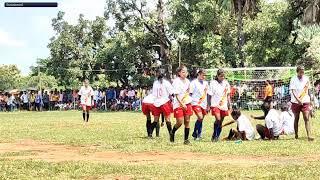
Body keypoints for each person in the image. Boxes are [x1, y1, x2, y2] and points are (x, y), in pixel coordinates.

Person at [289, 66, 314, 141]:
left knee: (306, 117)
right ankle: (296, 135)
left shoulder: (306, 78)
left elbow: (308, 90)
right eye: (301, 71)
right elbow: (292, 91)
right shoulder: (293, 79)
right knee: (296, 118)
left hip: (305, 100)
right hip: (295, 102)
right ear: (297, 71)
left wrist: (311, 100)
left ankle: (309, 135)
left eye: (303, 71)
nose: (302, 72)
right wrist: (298, 100)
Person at [170, 66, 193, 144]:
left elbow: (189, 92)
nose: (185, 73)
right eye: (183, 72)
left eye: (186, 72)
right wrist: (181, 103)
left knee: (187, 121)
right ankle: (172, 132)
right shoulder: (176, 81)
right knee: (179, 122)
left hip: (187, 103)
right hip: (178, 104)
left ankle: (186, 140)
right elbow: (176, 95)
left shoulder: (188, 81)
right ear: (179, 73)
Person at [208, 69, 232, 142]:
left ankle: (216, 137)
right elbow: (209, 95)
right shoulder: (213, 83)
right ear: (217, 76)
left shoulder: (226, 83)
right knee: (218, 119)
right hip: (215, 104)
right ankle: (214, 134)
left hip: (223, 105)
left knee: (220, 122)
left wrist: (229, 104)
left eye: (224, 76)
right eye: (221, 76)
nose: (223, 78)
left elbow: (228, 95)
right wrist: (208, 105)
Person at [150, 68, 174, 139]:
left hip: (156, 102)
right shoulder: (166, 82)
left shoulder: (155, 83)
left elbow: (154, 94)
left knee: (155, 120)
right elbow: (172, 92)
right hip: (164, 102)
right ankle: (171, 134)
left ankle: (150, 133)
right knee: (168, 120)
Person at [190, 69, 209, 140]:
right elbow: (190, 94)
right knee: (200, 117)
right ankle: (195, 133)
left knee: (201, 119)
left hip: (204, 103)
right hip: (195, 103)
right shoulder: (193, 83)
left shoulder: (206, 83)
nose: (204, 76)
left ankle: (198, 135)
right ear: (199, 74)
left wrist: (208, 105)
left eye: (205, 75)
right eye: (202, 75)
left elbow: (207, 94)